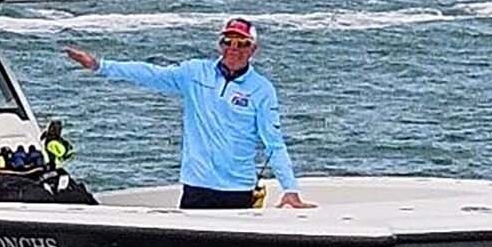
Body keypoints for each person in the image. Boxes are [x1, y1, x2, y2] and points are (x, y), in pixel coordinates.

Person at [63, 18, 314, 210]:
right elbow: (151, 74)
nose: (233, 49)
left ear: (253, 49)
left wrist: (290, 189)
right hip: (197, 186)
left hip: (237, 190)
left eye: (242, 44)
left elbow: (274, 143)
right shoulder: (194, 73)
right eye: (227, 42)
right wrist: (100, 66)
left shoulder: (262, 89)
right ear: (220, 45)